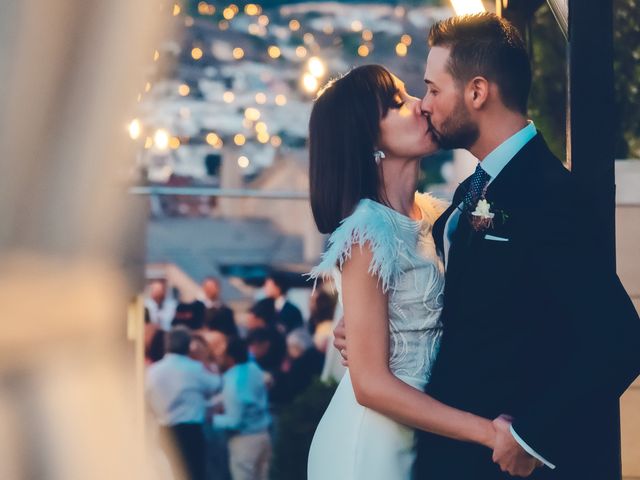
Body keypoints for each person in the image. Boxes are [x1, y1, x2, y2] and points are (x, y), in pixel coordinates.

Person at [335, 14, 640, 480]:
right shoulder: (466, 194)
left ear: (477, 92)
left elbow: (619, 340)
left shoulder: (549, 192)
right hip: (444, 455)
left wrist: (530, 437)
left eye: (435, 89)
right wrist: (375, 327)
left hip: (505, 464)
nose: (425, 105)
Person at [306, 64, 498, 480]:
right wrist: (487, 433)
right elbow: (370, 385)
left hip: (421, 434)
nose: (421, 105)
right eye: (398, 103)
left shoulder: (430, 215)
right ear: (368, 140)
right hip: (371, 445)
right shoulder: (366, 232)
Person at [146, 327, 222, 480]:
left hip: (165, 430)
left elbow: (146, 397)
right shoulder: (195, 368)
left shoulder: (153, 371)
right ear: (188, 346)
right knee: (194, 473)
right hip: (191, 430)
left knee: (169, 473)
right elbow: (216, 385)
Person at [213, 337, 272, 480]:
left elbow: (234, 421)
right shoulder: (254, 369)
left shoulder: (233, 382)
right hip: (263, 435)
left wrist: (213, 418)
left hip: (244, 440)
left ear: (230, 358)